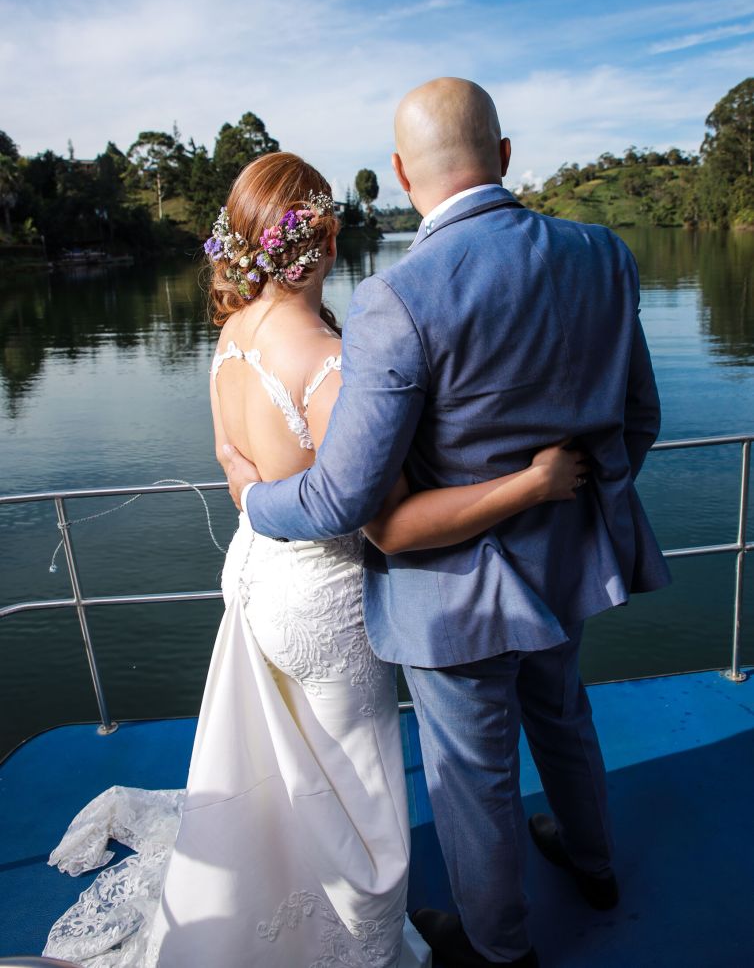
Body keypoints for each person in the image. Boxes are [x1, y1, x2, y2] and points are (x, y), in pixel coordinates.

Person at [44, 150, 590, 968]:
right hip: (323, 604)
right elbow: (391, 529)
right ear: (326, 240)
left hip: (254, 572)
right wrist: (534, 483)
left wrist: (249, 487)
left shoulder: (231, 335)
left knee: (288, 768)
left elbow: (232, 459)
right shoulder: (332, 365)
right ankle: (369, 947)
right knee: (360, 794)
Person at [224, 81, 671, 968]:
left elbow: (344, 501)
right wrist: (571, 508)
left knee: (474, 780)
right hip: (566, 560)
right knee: (564, 714)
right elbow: (640, 418)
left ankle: (498, 948)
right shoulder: (603, 254)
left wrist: (249, 498)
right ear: (504, 155)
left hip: (450, 594)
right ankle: (595, 863)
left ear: (400, 171)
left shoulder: (399, 296)